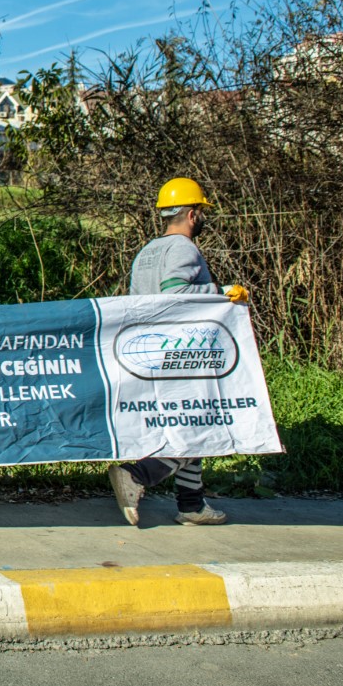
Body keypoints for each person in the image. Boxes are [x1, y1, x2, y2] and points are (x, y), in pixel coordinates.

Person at [108, 176, 250, 528]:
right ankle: (139, 475)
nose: (202, 218)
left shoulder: (147, 252)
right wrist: (223, 291)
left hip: (150, 351)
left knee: (190, 421)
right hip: (181, 353)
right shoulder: (185, 249)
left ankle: (191, 504)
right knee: (200, 422)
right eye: (200, 211)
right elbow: (175, 292)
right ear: (190, 214)